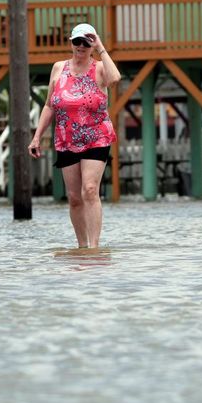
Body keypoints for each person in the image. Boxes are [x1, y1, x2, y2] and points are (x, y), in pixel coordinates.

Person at [28, 23, 121, 248]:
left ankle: (94, 248)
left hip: (96, 136)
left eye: (86, 42)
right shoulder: (59, 68)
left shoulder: (99, 68)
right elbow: (50, 105)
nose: (81, 46)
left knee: (89, 189)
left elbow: (115, 78)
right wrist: (37, 136)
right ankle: (82, 246)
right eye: (77, 41)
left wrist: (101, 47)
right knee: (74, 196)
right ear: (71, 43)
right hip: (66, 138)